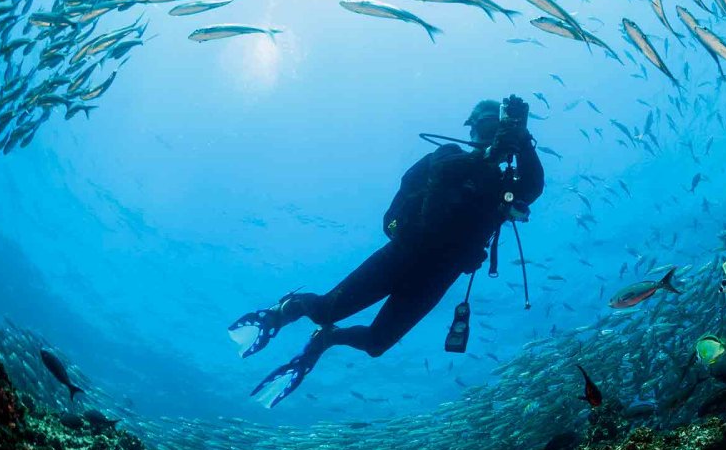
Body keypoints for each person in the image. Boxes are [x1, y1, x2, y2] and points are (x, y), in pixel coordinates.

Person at [230, 96, 544, 407]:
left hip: (439, 275)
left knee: (377, 343)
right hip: (401, 255)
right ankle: (282, 310)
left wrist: (524, 140)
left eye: (497, 128)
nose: (491, 135)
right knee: (326, 311)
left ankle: (326, 339)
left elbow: (532, 188)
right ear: (471, 129)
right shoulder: (448, 155)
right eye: (486, 126)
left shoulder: (502, 182)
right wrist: (489, 154)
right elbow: (445, 171)